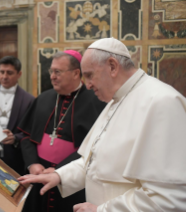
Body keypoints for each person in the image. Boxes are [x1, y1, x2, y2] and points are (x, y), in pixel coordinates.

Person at [19, 38, 186, 212]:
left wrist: (102, 210)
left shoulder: (162, 102)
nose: (88, 85)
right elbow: (93, 162)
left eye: (90, 75)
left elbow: (169, 198)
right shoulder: (116, 100)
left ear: (112, 66)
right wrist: (59, 176)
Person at [18, 50, 106, 212]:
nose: (52, 76)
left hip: (72, 183)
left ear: (76, 73)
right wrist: (32, 163)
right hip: (39, 176)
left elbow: (96, 147)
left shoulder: (95, 102)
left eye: (57, 72)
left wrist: (61, 169)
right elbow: (26, 136)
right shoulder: (43, 99)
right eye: (51, 71)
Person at [0, 56, 34, 175]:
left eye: (9, 73)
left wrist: (15, 138)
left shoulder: (29, 100)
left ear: (19, 74)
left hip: (15, 157)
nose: (4, 76)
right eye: (1, 72)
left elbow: (31, 131)